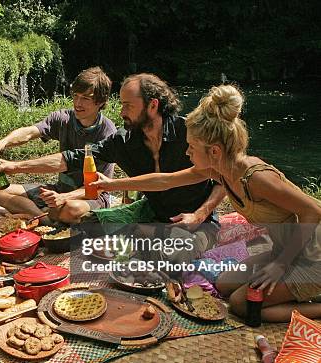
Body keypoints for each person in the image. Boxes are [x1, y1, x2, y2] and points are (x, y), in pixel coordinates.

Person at [91, 84, 321, 322]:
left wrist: (281, 266)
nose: (187, 152)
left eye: (191, 147)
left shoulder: (256, 178)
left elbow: (313, 211)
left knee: (242, 305)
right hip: (283, 249)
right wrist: (110, 185)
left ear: (214, 151)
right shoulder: (219, 170)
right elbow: (165, 181)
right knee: (224, 283)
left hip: (312, 257)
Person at [0, 73, 226, 264]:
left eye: (128, 105)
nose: (121, 112)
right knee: (87, 226)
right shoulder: (123, 141)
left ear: (153, 105)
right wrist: (15, 167)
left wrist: (200, 213)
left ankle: (146, 239)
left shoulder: (190, 133)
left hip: (199, 221)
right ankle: (145, 237)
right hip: (151, 213)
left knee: (177, 253)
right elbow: (72, 158)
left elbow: (223, 178)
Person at [0, 67, 117, 224]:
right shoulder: (63, 118)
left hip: (91, 194)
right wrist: (5, 141)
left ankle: (45, 214)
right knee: (0, 192)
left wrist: (64, 197)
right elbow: (31, 131)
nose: (78, 103)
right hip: (60, 189)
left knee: (73, 209)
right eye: (76, 96)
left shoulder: (108, 132)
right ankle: (44, 218)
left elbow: (93, 183)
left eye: (86, 98)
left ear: (101, 102)